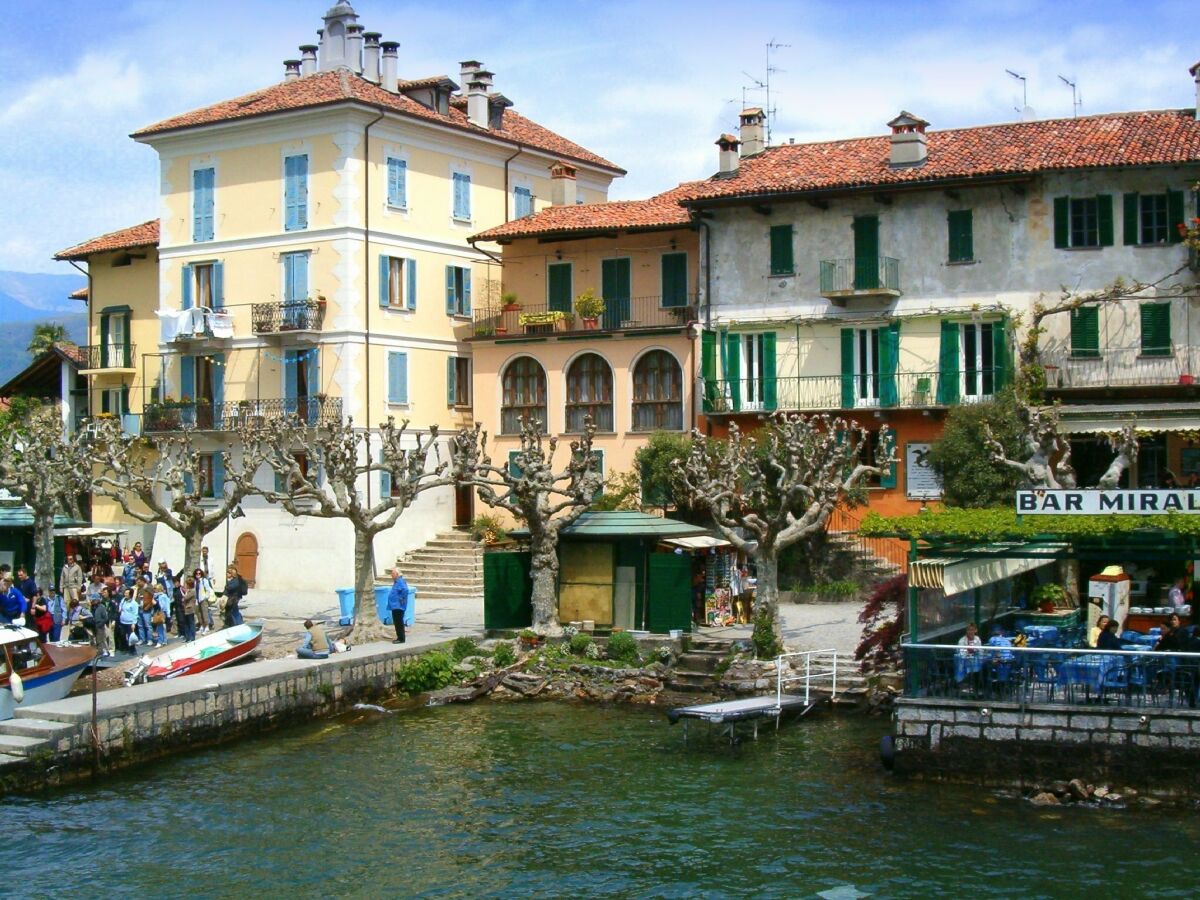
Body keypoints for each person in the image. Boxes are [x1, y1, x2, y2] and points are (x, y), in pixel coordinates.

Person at [387, 569, 409, 644]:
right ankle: (399, 637)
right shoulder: (397, 582)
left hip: (398, 606)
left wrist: (402, 598)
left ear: (397, 574)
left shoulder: (400, 581)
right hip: (395, 605)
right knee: (396, 622)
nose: (391, 575)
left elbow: (405, 590)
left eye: (393, 574)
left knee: (398, 622)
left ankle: (401, 638)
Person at [193, 568, 214, 635]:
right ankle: (202, 626)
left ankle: (207, 627)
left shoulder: (204, 580)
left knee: (205, 613)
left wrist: (205, 597)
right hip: (197, 599)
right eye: (196, 573)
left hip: (203, 599)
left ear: (201, 574)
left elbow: (208, 590)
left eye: (199, 573)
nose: (198, 575)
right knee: (199, 614)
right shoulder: (196, 581)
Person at [179, 576, 198, 643]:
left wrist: (183, 592)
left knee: (191, 623)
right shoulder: (189, 591)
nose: (185, 585)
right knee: (186, 624)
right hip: (186, 609)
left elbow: (186, 598)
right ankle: (187, 637)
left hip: (190, 609)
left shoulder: (192, 591)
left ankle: (192, 637)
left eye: (186, 584)